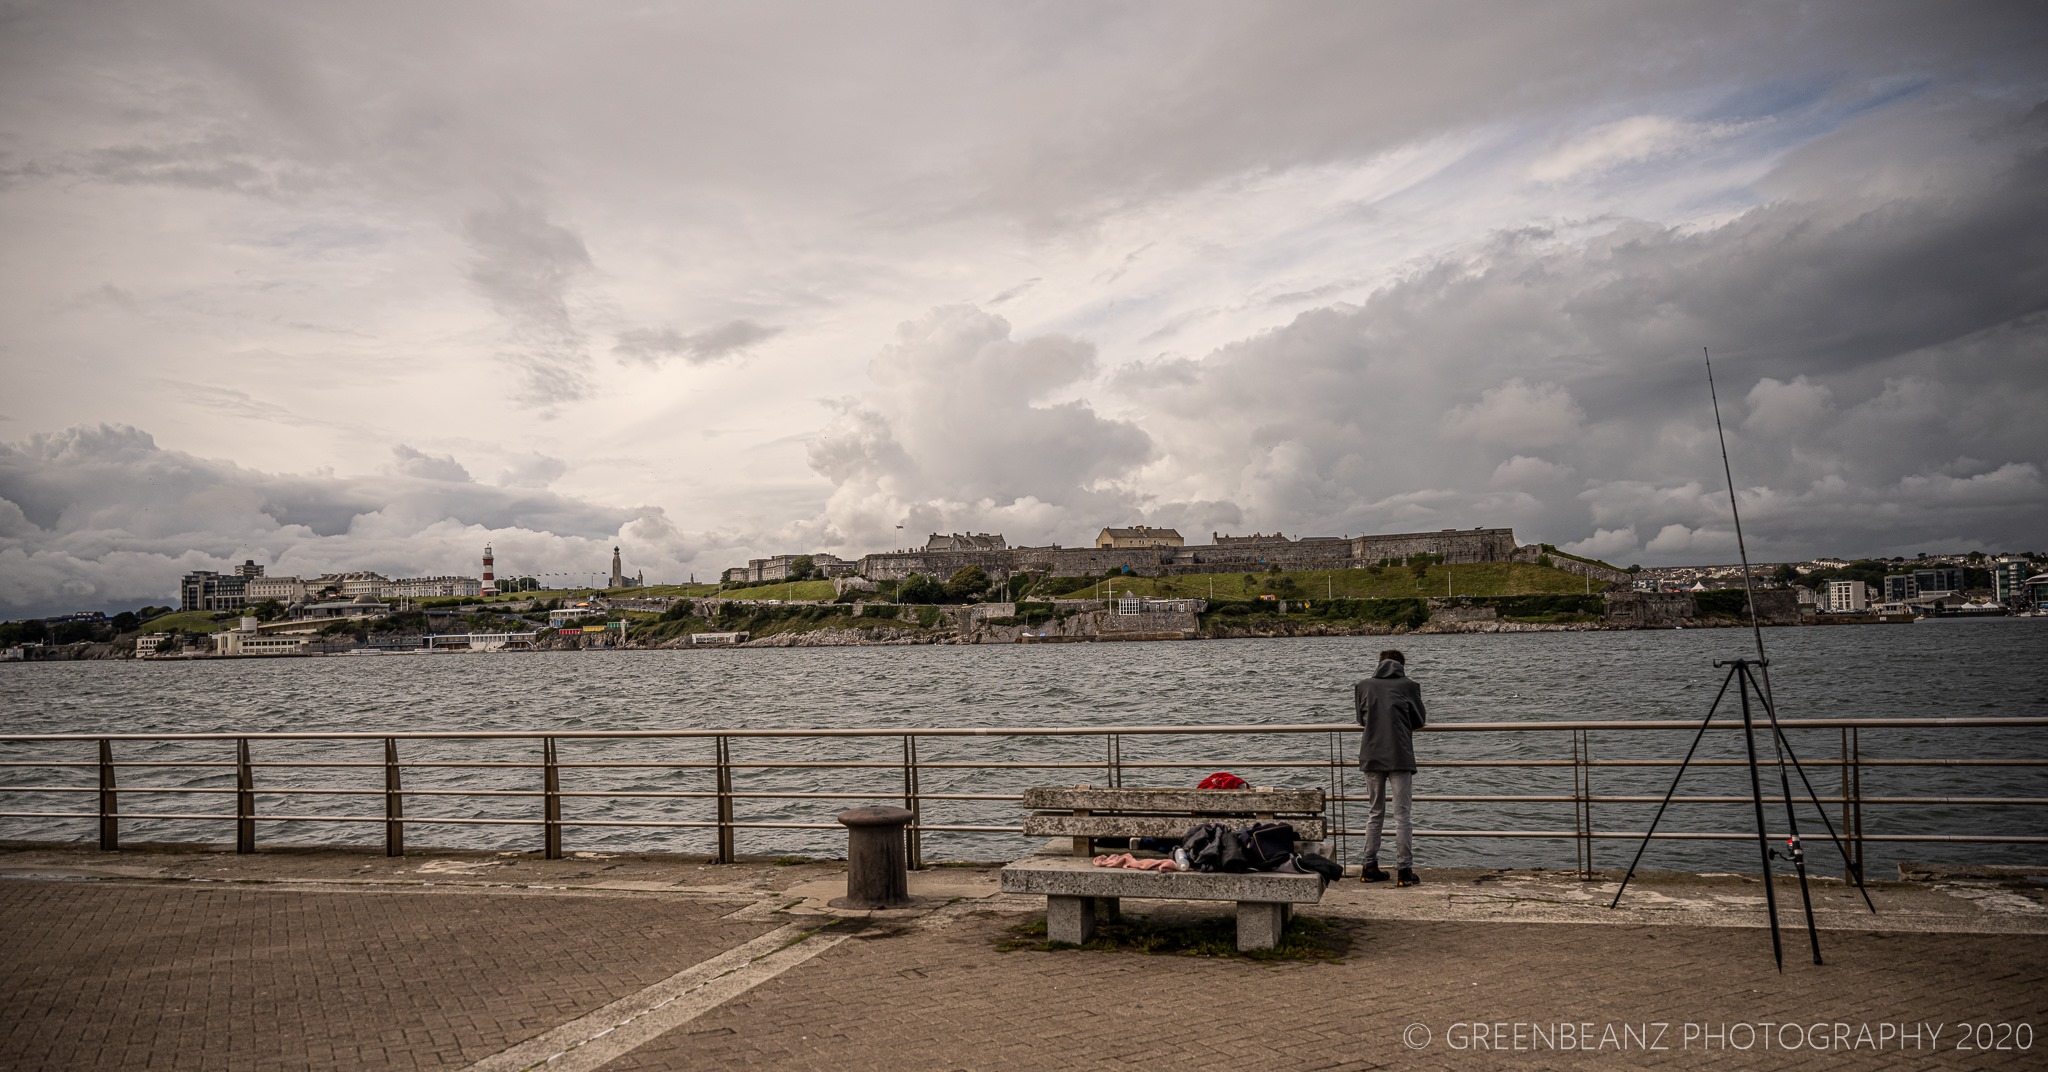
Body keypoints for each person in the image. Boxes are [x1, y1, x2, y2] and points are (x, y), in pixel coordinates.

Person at [1354, 648, 1425, 886]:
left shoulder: (1363, 685)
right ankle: (1404, 871)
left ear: (1379, 663)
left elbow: (1361, 719)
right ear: (1402, 666)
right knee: (1402, 815)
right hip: (1400, 755)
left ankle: (1368, 866)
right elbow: (1419, 721)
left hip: (1371, 755)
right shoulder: (1410, 686)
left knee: (1374, 813)